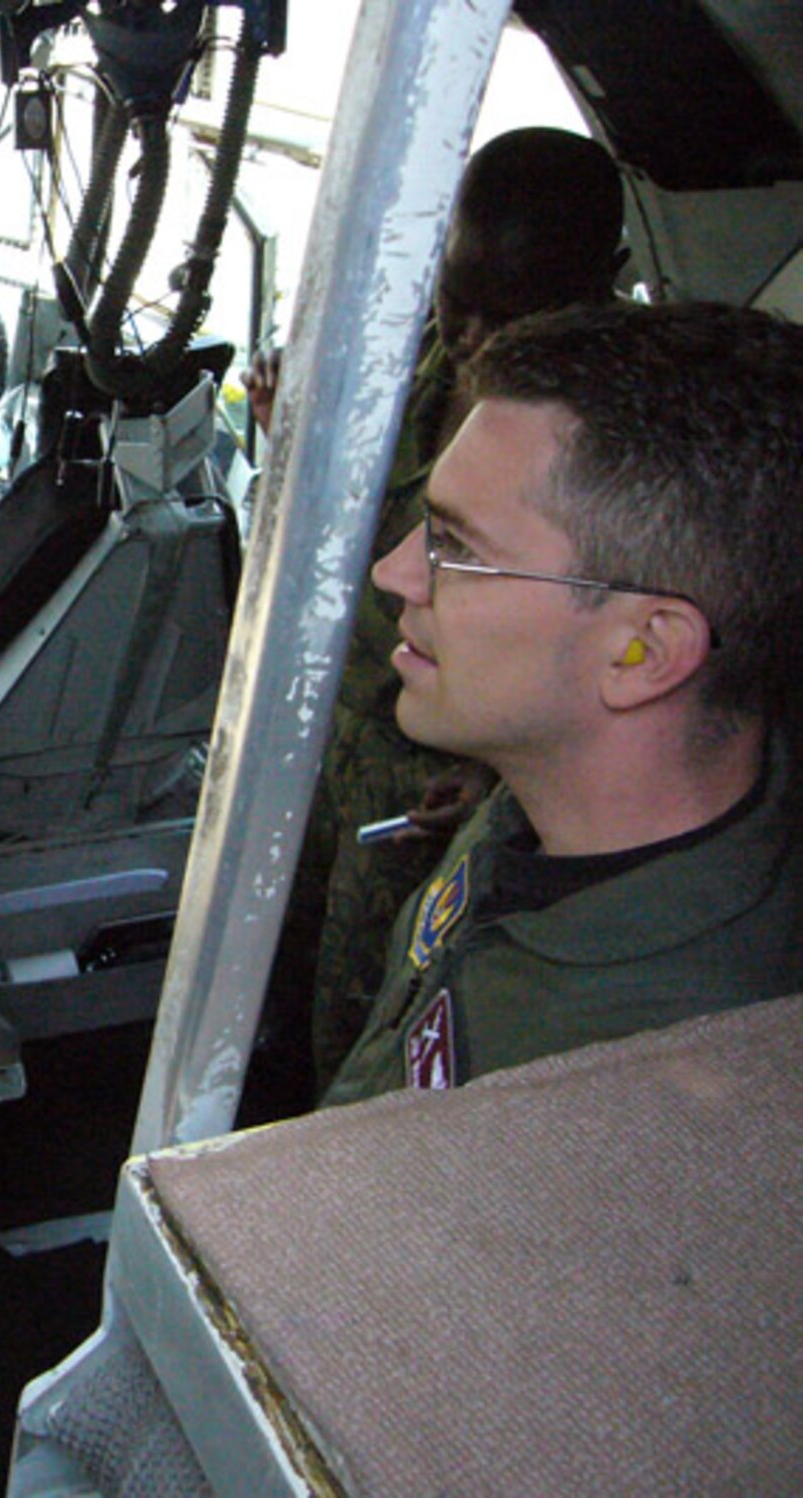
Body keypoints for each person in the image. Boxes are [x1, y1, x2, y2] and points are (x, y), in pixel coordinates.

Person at [321, 299, 802, 1105]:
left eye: (457, 546)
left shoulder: (647, 1088)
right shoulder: (549, 810)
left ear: (642, 649)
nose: (397, 573)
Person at [250, 128, 628, 1094]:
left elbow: (607, 659)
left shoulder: (618, 451)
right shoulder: (396, 367)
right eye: (456, 299)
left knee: (367, 1017)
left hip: (427, 782)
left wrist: (500, 784)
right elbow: (338, 545)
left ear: (603, 282)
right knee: (265, 969)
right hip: (324, 733)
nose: (467, 337)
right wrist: (292, 439)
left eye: (508, 315)